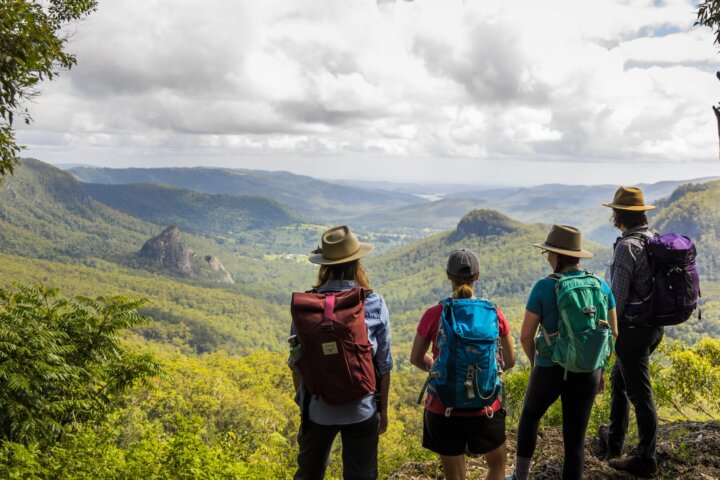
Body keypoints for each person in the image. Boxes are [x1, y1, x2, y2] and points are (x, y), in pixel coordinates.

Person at [508, 225, 618, 480]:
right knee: (575, 440)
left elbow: (526, 335)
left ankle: (521, 476)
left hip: (550, 367)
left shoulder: (543, 287)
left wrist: (537, 363)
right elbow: (613, 334)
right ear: (578, 256)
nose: (547, 257)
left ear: (556, 256)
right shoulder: (601, 286)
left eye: (548, 253)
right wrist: (599, 367)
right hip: (588, 370)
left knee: (530, 416)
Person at [288, 225, 392, 480]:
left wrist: (305, 405)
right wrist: (383, 411)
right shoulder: (373, 302)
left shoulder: (306, 307)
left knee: (309, 474)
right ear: (357, 263)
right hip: (362, 407)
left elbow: (297, 363)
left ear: (323, 265)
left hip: (317, 407)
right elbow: (384, 364)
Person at [410, 248, 515, 480]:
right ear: (477, 276)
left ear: (448, 275)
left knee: (454, 477)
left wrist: (439, 368)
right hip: (486, 407)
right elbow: (509, 361)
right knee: (497, 465)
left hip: (443, 408)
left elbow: (416, 358)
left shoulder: (434, 314)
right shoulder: (493, 312)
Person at [597, 186, 663, 477]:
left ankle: (645, 457)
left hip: (633, 331)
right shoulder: (653, 239)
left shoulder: (627, 246)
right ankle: (614, 440)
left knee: (640, 393)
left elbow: (617, 299)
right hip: (653, 326)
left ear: (618, 215)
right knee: (619, 380)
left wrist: (607, 332)